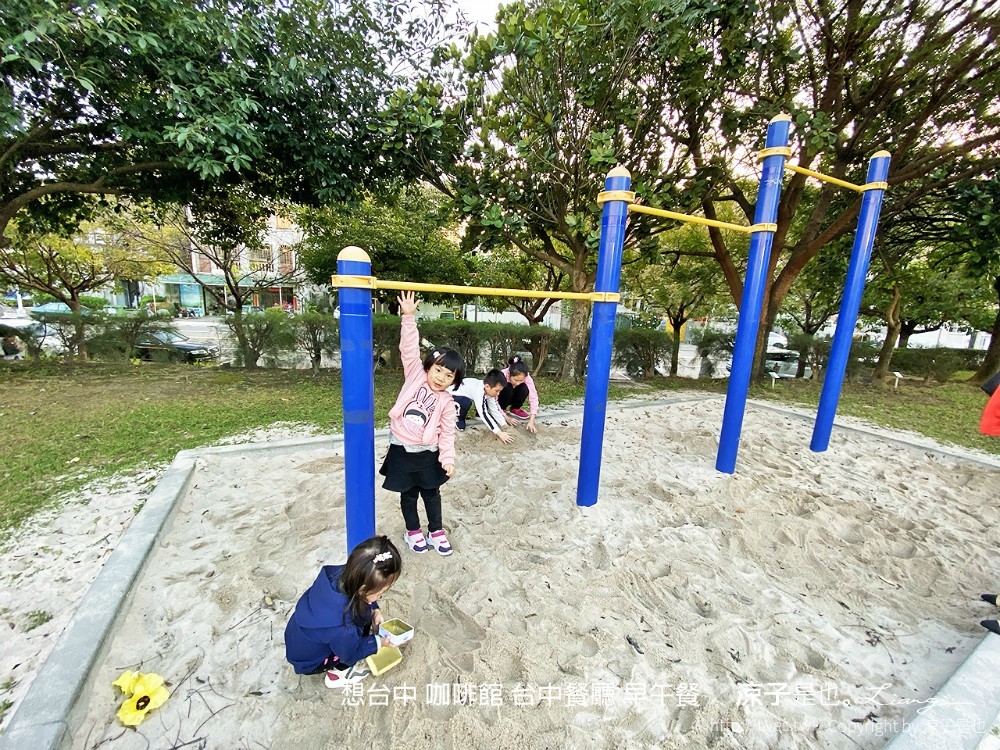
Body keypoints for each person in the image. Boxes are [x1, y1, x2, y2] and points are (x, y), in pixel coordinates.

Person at [380, 291, 465, 556]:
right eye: (438, 370)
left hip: (428, 454)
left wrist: (447, 459)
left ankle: (436, 530)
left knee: (431, 493)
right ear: (428, 368)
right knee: (407, 495)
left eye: (448, 375)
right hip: (402, 451)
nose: (441, 377)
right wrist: (408, 317)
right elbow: (408, 349)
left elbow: (447, 434)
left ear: (454, 380)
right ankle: (413, 531)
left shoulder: (447, 403)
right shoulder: (415, 375)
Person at [284, 535, 402, 688]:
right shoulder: (341, 627)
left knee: (362, 621)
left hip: (298, 637)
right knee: (354, 646)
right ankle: (336, 676)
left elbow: (363, 596)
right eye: (380, 593)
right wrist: (379, 642)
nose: (381, 596)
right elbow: (350, 653)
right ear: (363, 589)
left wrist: (374, 609)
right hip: (310, 661)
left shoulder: (342, 575)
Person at [449, 368, 515, 443]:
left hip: (461, 397)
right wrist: (499, 433)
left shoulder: (488, 390)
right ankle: (458, 417)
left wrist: (504, 425)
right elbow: (483, 414)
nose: (498, 394)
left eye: (500, 391)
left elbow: (494, 409)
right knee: (465, 402)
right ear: (487, 386)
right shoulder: (479, 391)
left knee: (466, 401)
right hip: (449, 397)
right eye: (497, 391)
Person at [499, 355, 540, 435]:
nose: (518, 383)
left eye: (521, 380)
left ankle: (515, 408)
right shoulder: (502, 375)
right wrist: (505, 417)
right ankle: (502, 409)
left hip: (512, 396)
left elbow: (533, 397)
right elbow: (493, 399)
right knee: (508, 386)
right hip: (499, 399)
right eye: (515, 380)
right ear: (509, 374)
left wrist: (531, 421)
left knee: (525, 387)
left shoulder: (526, 377)